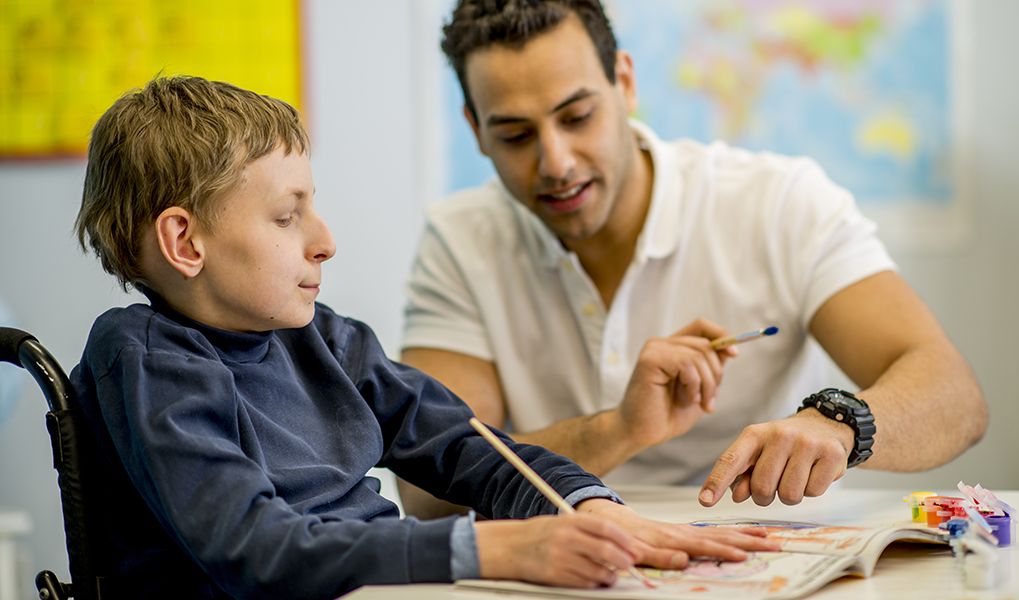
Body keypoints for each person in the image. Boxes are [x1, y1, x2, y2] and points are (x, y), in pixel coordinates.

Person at [69, 76, 776, 599]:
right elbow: (256, 552)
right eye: (287, 218)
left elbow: (472, 447)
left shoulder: (325, 339)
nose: (325, 242)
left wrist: (588, 508)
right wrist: (499, 548)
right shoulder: (143, 358)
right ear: (183, 241)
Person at [399, 0, 987, 516]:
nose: (556, 162)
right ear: (476, 130)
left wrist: (838, 424)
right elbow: (428, 490)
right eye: (516, 136)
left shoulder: (781, 202)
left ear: (624, 84)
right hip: (562, 561)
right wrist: (619, 430)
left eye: (578, 117)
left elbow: (954, 396)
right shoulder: (460, 240)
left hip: (770, 555)